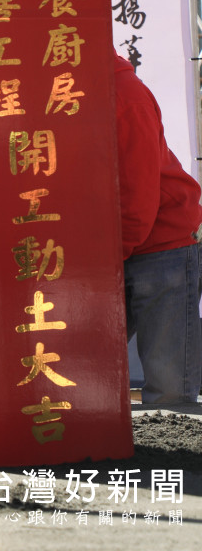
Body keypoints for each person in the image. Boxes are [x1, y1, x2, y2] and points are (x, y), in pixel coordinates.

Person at [115, 52, 202, 405]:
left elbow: (138, 199)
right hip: (117, 245)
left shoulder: (124, 94)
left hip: (163, 244)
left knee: (169, 390)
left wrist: (107, 257)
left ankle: (179, 461)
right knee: (81, 370)